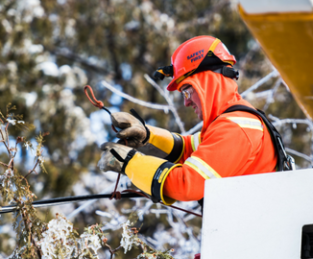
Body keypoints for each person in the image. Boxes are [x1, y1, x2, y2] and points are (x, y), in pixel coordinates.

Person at [98, 35, 290, 205]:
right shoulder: (232, 120)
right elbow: (191, 149)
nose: (186, 102)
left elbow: (186, 184)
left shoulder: (236, 128)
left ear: (208, 81)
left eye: (187, 90)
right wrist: (148, 136)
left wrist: (129, 163)